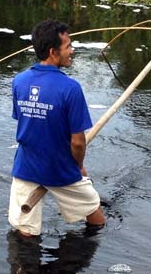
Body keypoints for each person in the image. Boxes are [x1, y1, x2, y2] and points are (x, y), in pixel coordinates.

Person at [8, 19, 105, 236]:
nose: (72, 51)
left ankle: (24, 268)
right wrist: (78, 167)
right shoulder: (71, 88)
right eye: (68, 46)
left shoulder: (19, 81)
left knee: (25, 230)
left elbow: (27, 122)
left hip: (26, 167)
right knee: (95, 215)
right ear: (53, 51)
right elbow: (78, 141)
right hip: (61, 169)